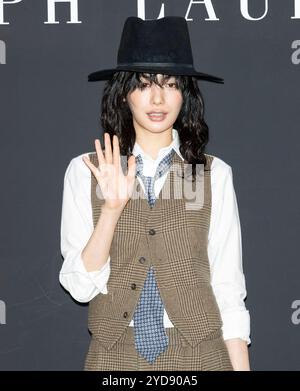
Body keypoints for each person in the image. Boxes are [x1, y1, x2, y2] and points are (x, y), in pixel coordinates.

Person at [59, 16, 251, 371]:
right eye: (144, 84)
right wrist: (112, 210)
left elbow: (227, 286)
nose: (158, 97)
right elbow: (80, 288)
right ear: (123, 93)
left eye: (171, 84)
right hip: (114, 355)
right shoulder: (85, 170)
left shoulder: (213, 174)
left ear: (186, 94)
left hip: (200, 353)